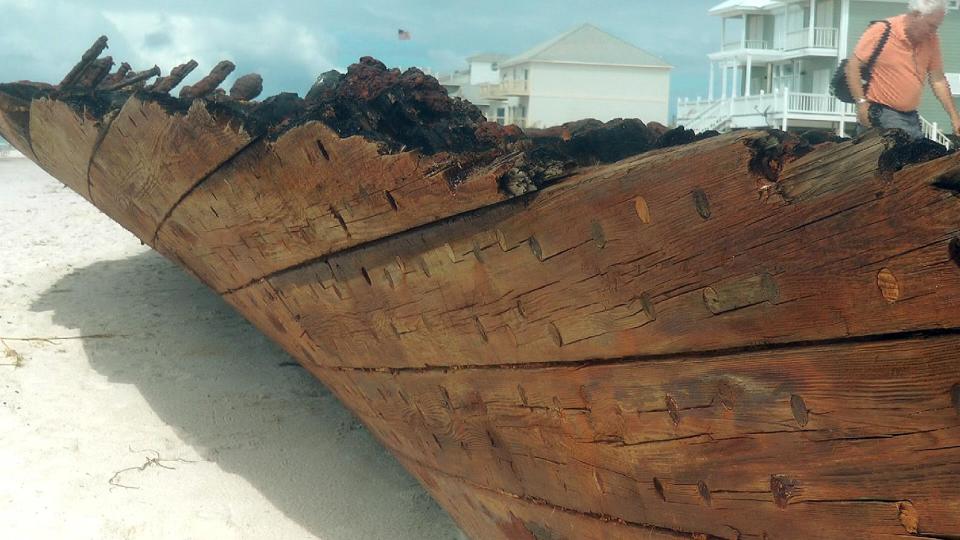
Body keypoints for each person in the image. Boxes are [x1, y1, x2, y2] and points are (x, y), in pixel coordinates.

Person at [846, 0, 960, 139]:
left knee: (920, 154)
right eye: (931, 26)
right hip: (882, 113)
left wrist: (955, 117)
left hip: (911, 116)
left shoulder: (932, 40)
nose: (933, 32)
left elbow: (938, 80)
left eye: (936, 27)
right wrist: (861, 104)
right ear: (916, 14)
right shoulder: (882, 30)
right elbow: (852, 66)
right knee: (909, 156)